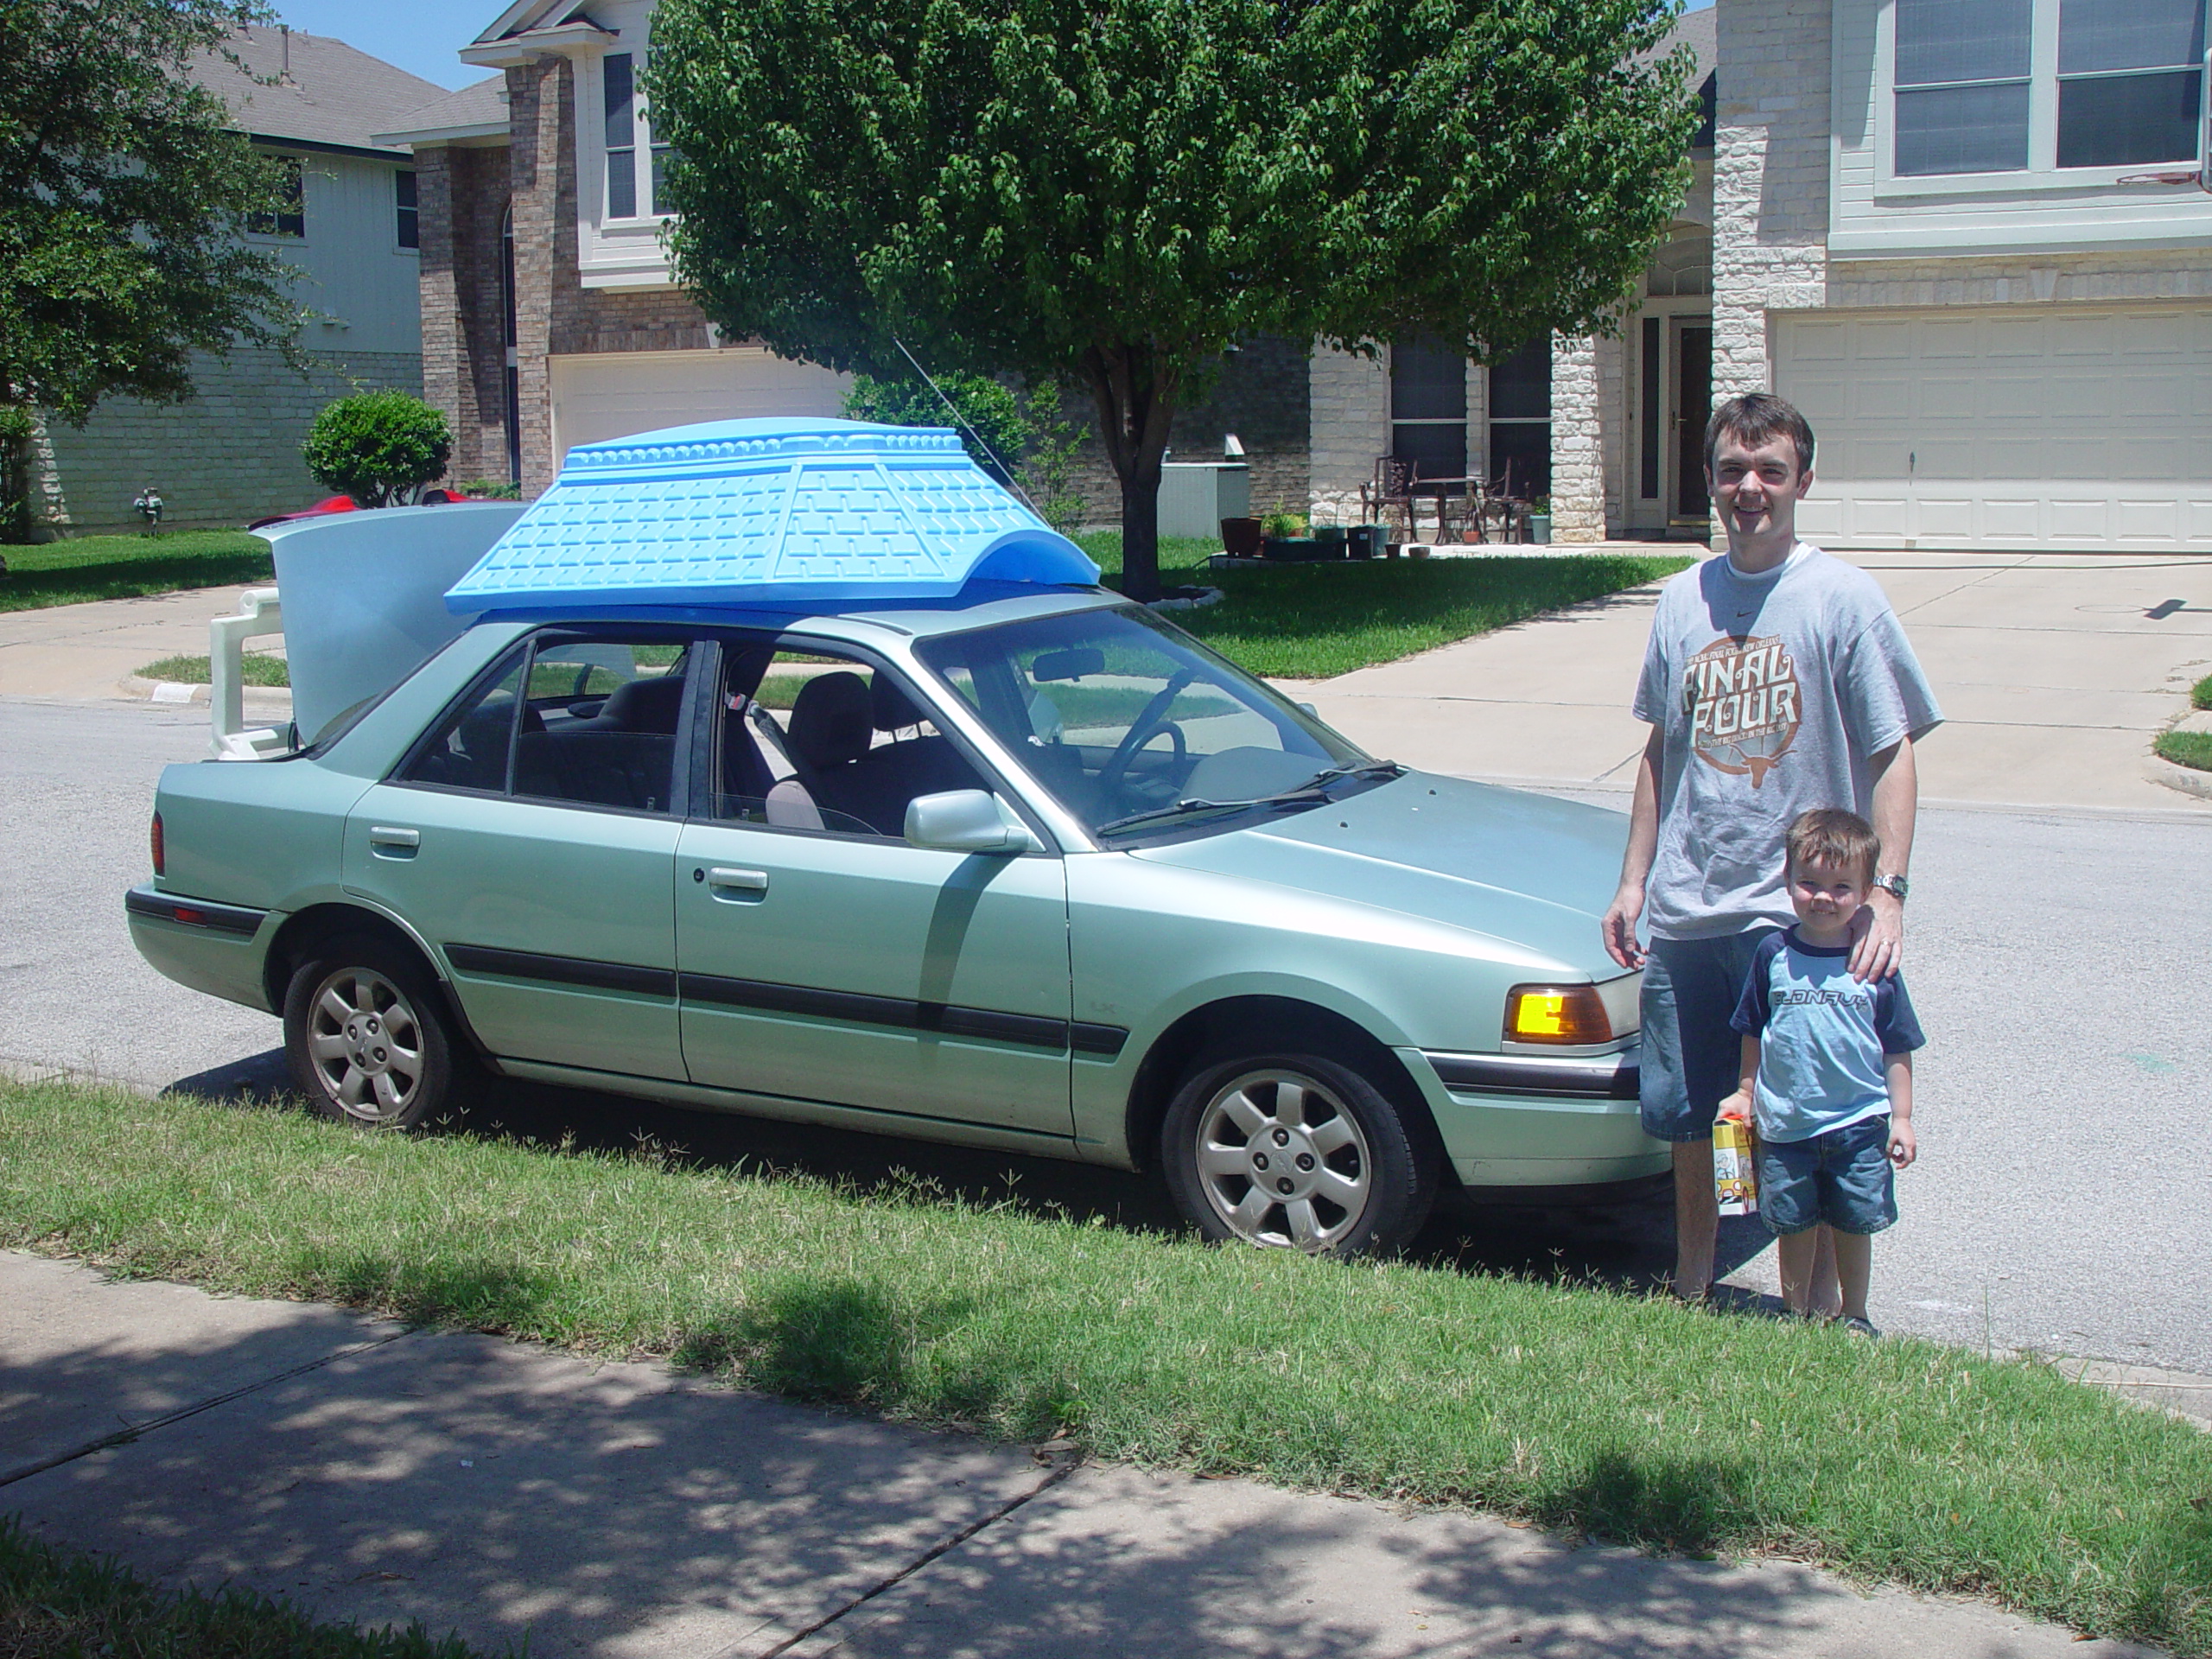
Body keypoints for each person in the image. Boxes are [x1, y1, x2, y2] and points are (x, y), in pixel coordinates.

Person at [1600, 391, 1942, 1306]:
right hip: (1687, 908)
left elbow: (1892, 749)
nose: (1748, 489)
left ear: (1802, 482)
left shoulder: (1841, 597)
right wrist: (1633, 882)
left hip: (1793, 918)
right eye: (1731, 471)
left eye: (1769, 472)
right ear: (1710, 480)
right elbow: (1660, 750)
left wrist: (1889, 893)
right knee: (1692, 1118)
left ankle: (1822, 1313)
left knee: (1809, 1119)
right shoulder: (1681, 599)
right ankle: (1692, 1286)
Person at [1718, 809, 1921, 1332]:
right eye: (1809, 883)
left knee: (1855, 1223)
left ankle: (1854, 1315)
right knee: (1793, 1223)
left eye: (1841, 886)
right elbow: (1753, 1030)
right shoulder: (1773, 954)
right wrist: (1745, 1093)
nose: (1823, 897)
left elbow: (1897, 1047)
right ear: (1787, 881)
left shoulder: (1874, 960)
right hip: (1788, 1124)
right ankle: (1795, 1311)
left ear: (1864, 892)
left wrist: (1902, 1118)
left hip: (1859, 1122)